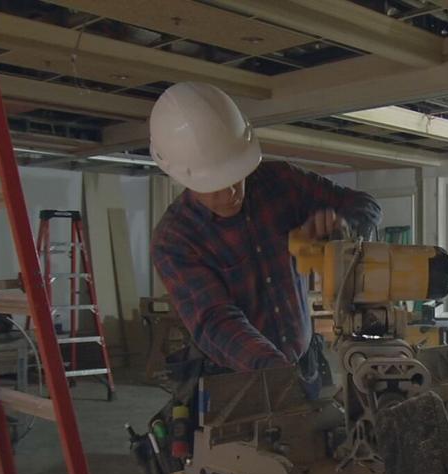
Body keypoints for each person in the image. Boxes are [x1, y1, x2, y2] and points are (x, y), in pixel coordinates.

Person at [149, 82, 381, 396]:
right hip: (238, 380)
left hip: (304, 361)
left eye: (236, 175)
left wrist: (344, 228)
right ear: (183, 177)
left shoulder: (281, 182)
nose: (231, 192)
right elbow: (215, 321)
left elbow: (364, 205)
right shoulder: (175, 239)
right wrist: (277, 373)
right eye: (214, 184)